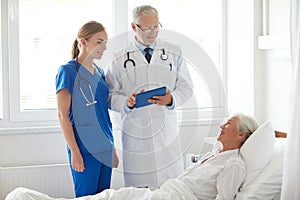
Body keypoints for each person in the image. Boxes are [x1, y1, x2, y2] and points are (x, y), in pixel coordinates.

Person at [5, 113, 259, 200]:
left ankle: (24, 198)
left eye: (228, 124)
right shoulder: (215, 154)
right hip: (161, 193)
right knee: (110, 196)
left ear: (241, 135)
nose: (221, 126)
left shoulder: (233, 164)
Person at [105, 5, 193, 189]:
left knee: (171, 189)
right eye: (147, 28)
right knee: (139, 191)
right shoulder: (119, 57)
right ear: (134, 26)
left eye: (156, 26)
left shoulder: (173, 51)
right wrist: (127, 103)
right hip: (136, 134)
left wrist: (171, 99)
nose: (153, 32)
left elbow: (186, 87)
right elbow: (110, 95)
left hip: (166, 131)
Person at [55, 21, 119, 197]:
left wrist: (112, 148)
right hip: (84, 150)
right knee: (86, 196)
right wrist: (75, 152)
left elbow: (102, 114)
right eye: (99, 42)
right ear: (83, 42)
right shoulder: (68, 71)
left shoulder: (99, 72)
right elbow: (62, 115)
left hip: (104, 148)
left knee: (104, 196)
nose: (104, 47)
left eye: (105, 42)